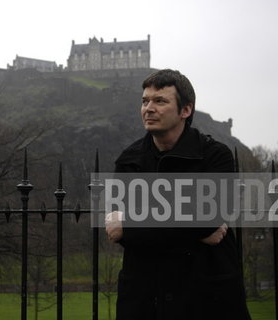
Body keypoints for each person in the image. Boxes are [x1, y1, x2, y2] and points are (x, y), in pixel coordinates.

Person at [105, 69, 251, 320]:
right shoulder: (129, 161)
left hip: (206, 295)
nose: (148, 108)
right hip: (145, 297)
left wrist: (132, 223)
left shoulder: (215, 156)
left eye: (160, 101)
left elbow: (208, 218)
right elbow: (119, 233)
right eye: (145, 101)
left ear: (185, 110)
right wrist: (192, 221)